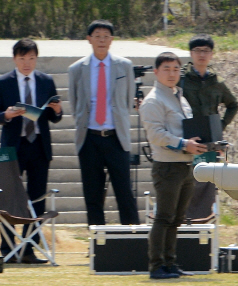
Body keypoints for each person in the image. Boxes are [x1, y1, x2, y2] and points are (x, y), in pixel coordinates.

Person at [139, 52, 207, 279]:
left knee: (177, 218)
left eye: (176, 69)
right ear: (156, 72)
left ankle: (170, 264)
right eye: (166, 69)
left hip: (185, 165)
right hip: (167, 166)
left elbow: (185, 129)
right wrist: (182, 144)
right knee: (164, 217)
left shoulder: (179, 96)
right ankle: (156, 265)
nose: (171, 73)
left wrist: (203, 143)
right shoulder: (153, 100)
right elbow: (156, 135)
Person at [68, 19, 140, 226]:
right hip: (89, 138)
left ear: (112, 40)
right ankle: (97, 244)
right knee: (92, 195)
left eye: (105, 36)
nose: (101, 40)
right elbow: (74, 104)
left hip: (116, 138)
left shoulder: (124, 66)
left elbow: (127, 101)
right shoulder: (76, 69)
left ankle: (132, 239)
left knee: (124, 192)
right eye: (97, 36)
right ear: (89, 39)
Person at [0, 38, 63, 264]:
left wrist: (57, 110)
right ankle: (7, 247)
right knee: (8, 199)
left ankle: (30, 249)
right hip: (11, 148)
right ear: (15, 59)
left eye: (31, 58)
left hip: (38, 146)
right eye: (22, 58)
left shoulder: (46, 81)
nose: (27, 63)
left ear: (37, 59)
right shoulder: (3, 82)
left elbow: (55, 117)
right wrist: (6, 116)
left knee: (37, 199)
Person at [178, 34, 238, 130]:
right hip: (187, 133)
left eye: (206, 51)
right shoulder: (181, 79)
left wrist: (222, 125)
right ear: (191, 53)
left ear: (211, 54)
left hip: (211, 133)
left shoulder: (217, 82)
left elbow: (233, 105)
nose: (202, 55)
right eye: (197, 50)